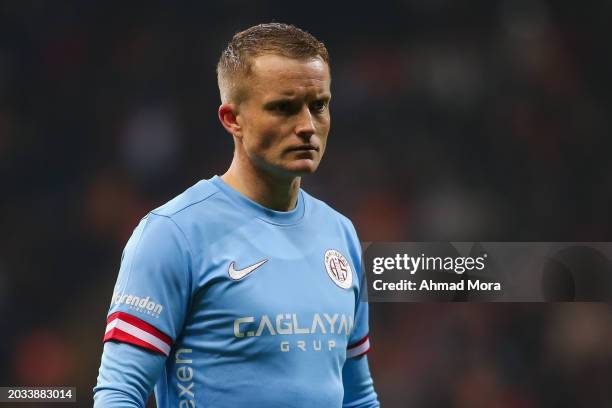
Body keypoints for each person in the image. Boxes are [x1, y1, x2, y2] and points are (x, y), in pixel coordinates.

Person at [94, 23, 379, 408]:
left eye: (319, 105)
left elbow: (358, 397)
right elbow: (118, 395)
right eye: (283, 107)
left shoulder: (340, 234)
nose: (307, 127)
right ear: (232, 119)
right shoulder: (173, 235)